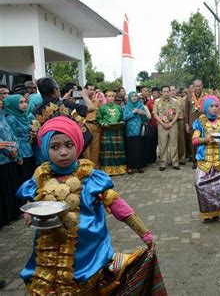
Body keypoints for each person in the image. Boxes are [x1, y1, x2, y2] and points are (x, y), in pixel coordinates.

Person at [16, 116, 166, 295]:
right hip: (50, 250)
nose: (63, 152)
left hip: (89, 256)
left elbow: (119, 206)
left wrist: (145, 234)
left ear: (78, 146)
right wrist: (29, 213)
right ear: (45, 150)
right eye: (55, 147)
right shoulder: (41, 177)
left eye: (68, 145)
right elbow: (32, 203)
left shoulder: (91, 178)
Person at [3, 95, 36, 184]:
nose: (25, 104)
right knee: (25, 179)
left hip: (29, 150)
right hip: (21, 154)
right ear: (13, 105)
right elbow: (13, 138)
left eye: (25, 102)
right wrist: (18, 157)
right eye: (21, 103)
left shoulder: (24, 116)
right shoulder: (11, 118)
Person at [96, 90, 127, 176]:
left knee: (118, 149)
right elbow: (99, 119)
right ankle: (108, 170)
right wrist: (103, 123)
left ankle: (120, 168)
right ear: (106, 97)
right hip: (107, 131)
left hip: (117, 131)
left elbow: (122, 117)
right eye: (109, 96)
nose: (111, 98)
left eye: (112, 96)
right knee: (108, 149)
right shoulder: (102, 108)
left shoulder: (118, 107)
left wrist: (122, 121)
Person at [0, 114, 21, 228]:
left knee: (9, 188)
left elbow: (12, 135)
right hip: (2, 159)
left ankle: (11, 215)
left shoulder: (2, 118)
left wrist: (14, 149)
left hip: (9, 159)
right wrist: (9, 150)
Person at [123, 91, 150, 174]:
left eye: (135, 96)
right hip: (130, 131)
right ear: (130, 98)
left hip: (139, 131)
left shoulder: (141, 106)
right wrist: (133, 113)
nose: (134, 97)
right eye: (132, 96)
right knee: (131, 150)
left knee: (139, 149)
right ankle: (130, 167)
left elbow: (146, 119)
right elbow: (124, 117)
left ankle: (139, 166)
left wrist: (142, 113)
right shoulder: (127, 107)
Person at [154, 86, 180, 171]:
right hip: (162, 126)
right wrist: (162, 124)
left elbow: (177, 113)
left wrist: (171, 123)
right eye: (164, 91)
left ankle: (175, 163)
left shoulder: (175, 101)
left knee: (174, 144)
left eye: (167, 91)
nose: (166, 93)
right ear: (161, 92)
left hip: (173, 124)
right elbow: (155, 114)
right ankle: (163, 163)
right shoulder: (157, 102)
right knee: (162, 145)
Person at [185, 79, 205, 169]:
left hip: (204, 123)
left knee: (203, 141)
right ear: (193, 87)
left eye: (199, 86)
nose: (197, 88)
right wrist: (187, 124)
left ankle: (202, 159)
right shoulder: (189, 97)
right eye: (196, 86)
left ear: (202, 86)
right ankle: (194, 160)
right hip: (192, 123)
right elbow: (186, 111)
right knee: (193, 143)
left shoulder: (206, 96)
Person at [83, 83, 102, 168]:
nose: (92, 91)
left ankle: (95, 169)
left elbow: (100, 113)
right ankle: (87, 168)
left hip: (96, 125)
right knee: (86, 149)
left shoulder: (97, 101)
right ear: (86, 90)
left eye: (93, 89)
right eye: (90, 89)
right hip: (85, 124)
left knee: (96, 148)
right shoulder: (82, 101)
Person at [171, 85, 187, 165]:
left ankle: (182, 158)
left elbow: (184, 111)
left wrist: (185, 122)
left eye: (174, 90)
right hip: (170, 122)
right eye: (171, 90)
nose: (172, 92)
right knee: (172, 141)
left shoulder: (180, 100)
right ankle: (173, 159)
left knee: (181, 140)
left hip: (180, 121)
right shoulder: (166, 101)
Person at [145, 87, 159, 165]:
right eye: (153, 93)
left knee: (162, 143)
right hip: (152, 125)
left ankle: (162, 157)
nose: (155, 94)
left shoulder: (161, 101)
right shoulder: (149, 103)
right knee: (153, 143)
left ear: (159, 93)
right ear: (152, 94)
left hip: (161, 124)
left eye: (156, 93)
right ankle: (153, 158)